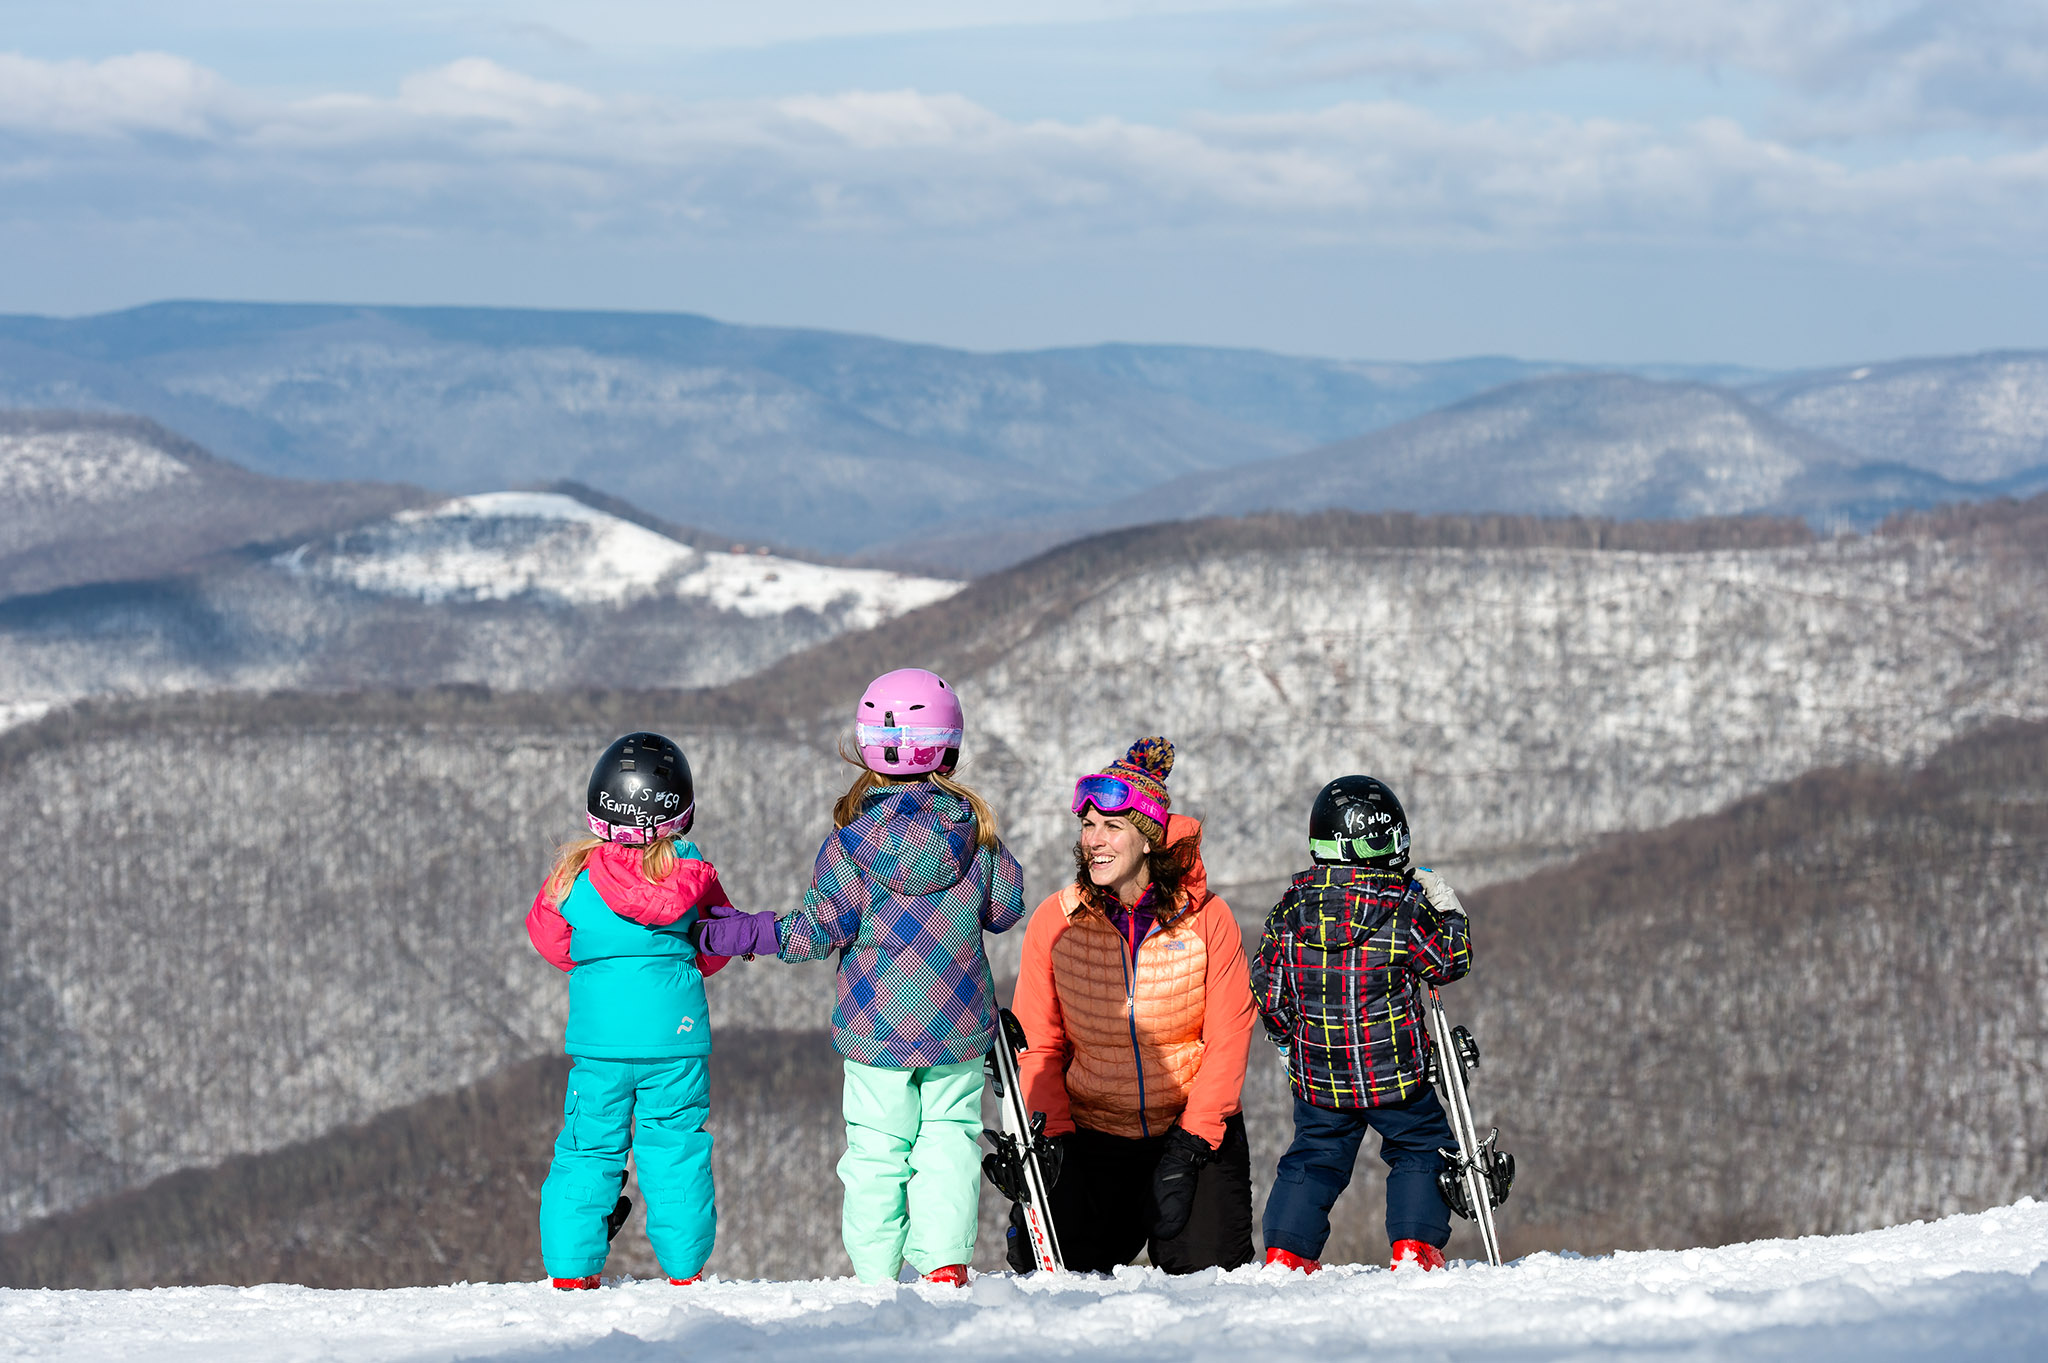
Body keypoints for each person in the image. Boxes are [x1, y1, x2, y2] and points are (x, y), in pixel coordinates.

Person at [692, 667, 1025, 1286]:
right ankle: (944, 1264)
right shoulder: (976, 836)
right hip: (959, 1023)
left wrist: (751, 933)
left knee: (877, 1148)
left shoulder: (850, 842)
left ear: (868, 746)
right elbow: (1005, 911)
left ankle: (875, 1276)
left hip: (876, 1028)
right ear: (949, 746)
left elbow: (820, 930)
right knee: (949, 1139)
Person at [1007, 736, 1258, 1274]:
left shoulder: (1208, 919)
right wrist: (1049, 1142)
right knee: (1047, 1264)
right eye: (1087, 825)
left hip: (1190, 1131)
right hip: (1091, 1133)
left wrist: (1191, 1144)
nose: (1093, 840)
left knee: (1208, 1272)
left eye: (1112, 826)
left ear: (1148, 839)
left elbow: (1228, 1040)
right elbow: (1039, 1043)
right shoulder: (1057, 921)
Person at [525, 732, 735, 1289]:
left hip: (600, 1042)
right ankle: (685, 1270)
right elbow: (716, 947)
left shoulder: (572, 876)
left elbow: (550, 942)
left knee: (587, 1146)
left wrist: (598, 972)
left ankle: (572, 1271)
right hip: (675, 1039)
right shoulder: (693, 877)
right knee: (675, 1145)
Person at [1250, 775, 1472, 1273]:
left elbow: (1267, 987)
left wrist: (1288, 1039)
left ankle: (1287, 1252)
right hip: (1396, 1074)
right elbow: (1448, 962)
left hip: (1319, 1075)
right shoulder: (1404, 907)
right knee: (1421, 1148)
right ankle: (1414, 1247)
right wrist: (1450, 912)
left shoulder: (1289, 911)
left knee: (1313, 1157)